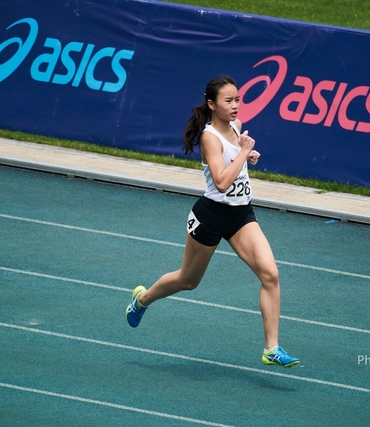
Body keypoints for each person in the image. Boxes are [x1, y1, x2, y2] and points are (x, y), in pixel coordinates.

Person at [126, 76, 300, 368]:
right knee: (188, 280)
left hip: (241, 214)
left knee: (270, 274)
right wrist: (244, 152)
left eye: (238, 100)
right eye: (228, 101)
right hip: (211, 215)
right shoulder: (209, 137)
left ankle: (271, 348)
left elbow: (234, 163)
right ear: (211, 104)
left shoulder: (237, 126)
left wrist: (247, 155)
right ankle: (142, 299)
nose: (235, 106)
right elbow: (220, 182)